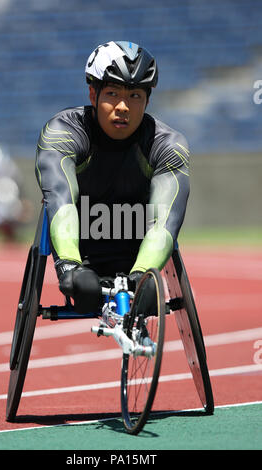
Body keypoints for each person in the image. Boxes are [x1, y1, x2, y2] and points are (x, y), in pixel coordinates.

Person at [35, 41, 190, 313]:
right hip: (80, 251)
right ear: (93, 95)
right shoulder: (63, 132)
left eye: (135, 96)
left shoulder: (167, 145)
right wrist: (70, 266)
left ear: (147, 101)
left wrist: (144, 273)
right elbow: (60, 200)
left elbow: (164, 221)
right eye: (112, 93)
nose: (123, 107)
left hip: (137, 253)